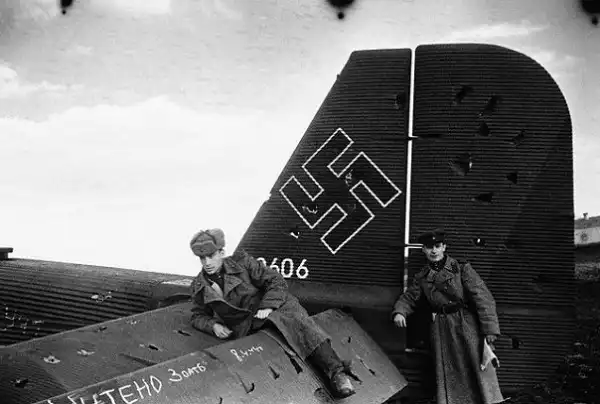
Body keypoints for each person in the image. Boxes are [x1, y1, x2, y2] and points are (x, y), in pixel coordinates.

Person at [188, 228, 356, 398]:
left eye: (211, 256)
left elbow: (276, 280)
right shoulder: (200, 286)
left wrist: (267, 307)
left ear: (221, 252)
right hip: (248, 325)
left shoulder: (243, 263)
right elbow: (197, 315)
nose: (207, 262)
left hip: (276, 308)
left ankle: (337, 373)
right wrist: (213, 325)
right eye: (202, 258)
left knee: (301, 325)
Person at [392, 229, 504, 404]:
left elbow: (483, 298)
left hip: (466, 324)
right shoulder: (422, 277)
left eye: (437, 246)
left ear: (444, 247)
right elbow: (410, 297)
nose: (434, 251)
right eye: (429, 247)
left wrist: (490, 330)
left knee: (478, 368)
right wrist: (400, 311)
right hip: (441, 329)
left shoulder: (461, 269)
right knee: (450, 371)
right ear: (423, 250)